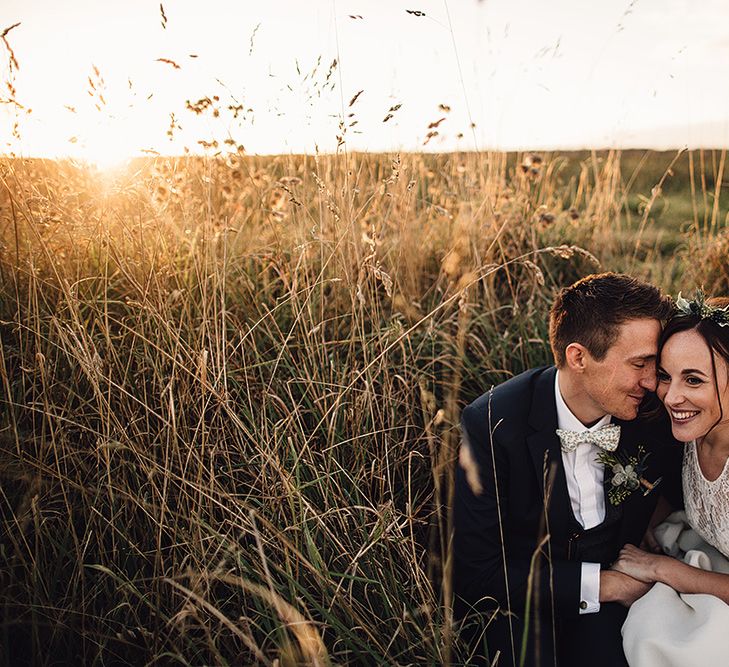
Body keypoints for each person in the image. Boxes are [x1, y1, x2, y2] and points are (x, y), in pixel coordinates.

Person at [454, 272, 681, 667]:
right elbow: (476, 571)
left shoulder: (657, 416)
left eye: (655, 365)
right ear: (578, 357)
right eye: (640, 363)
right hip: (519, 609)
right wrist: (604, 585)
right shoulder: (492, 424)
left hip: (616, 611)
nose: (652, 382)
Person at [614, 293, 729, 666]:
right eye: (665, 376)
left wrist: (663, 568)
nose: (672, 396)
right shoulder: (686, 431)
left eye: (693, 380)